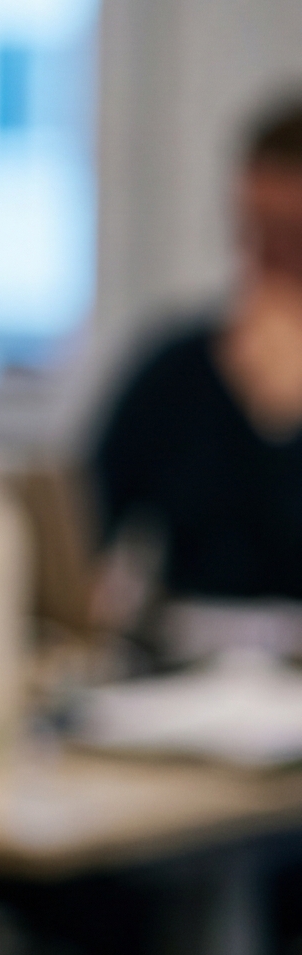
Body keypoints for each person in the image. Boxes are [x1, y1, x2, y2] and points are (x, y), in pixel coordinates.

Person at [91, 95, 302, 605]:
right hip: (188, 667)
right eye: (253, 233)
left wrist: (285, 424)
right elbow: (82, 516)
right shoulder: (180, 367)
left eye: (291, 239)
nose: (266, 263)